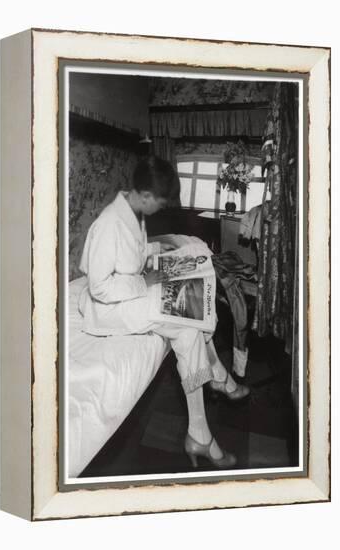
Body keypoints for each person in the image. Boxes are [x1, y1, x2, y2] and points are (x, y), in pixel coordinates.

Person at [78, 156, 249, 469]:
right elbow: (99, 288)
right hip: (108, 308)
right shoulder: (108, 224)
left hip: (129, 293)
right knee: (186, 319)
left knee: (189, 319)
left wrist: (157, 251)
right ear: (145, 196)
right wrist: (144, 282)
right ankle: (216, 383)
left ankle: (200, 430)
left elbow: (132, 253)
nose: (162, 209)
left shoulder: (133, 211)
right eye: (160, 202)